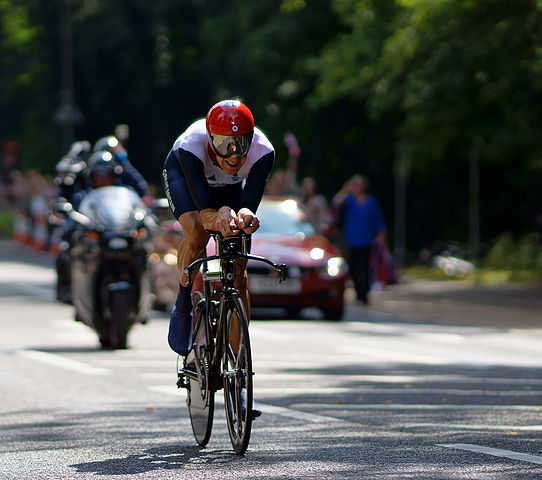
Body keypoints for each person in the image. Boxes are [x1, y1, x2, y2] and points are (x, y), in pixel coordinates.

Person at [162, 99, 274, 360]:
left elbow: (248, 205)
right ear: (211, 140)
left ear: (252, 139)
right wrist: (221, 214)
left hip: (228, 187)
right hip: (189, 177)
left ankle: (236, 358)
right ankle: (183, 302)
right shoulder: (191, 145)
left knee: (239, 263)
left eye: (242, 145)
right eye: (225, 145)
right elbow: (207, 214)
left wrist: (246, 217)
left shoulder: (264, 152)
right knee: (198, 233)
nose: (234, 155)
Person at [332, 174, 386, 305]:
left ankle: (364, 294)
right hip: (351, 239)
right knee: (354, 267)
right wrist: (345, 189)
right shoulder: (349, 200)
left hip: (366, 239)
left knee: (365, 267)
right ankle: (358, 292)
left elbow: (377, 219)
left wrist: (381, 235)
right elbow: (335, 203)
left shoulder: (371, 201)